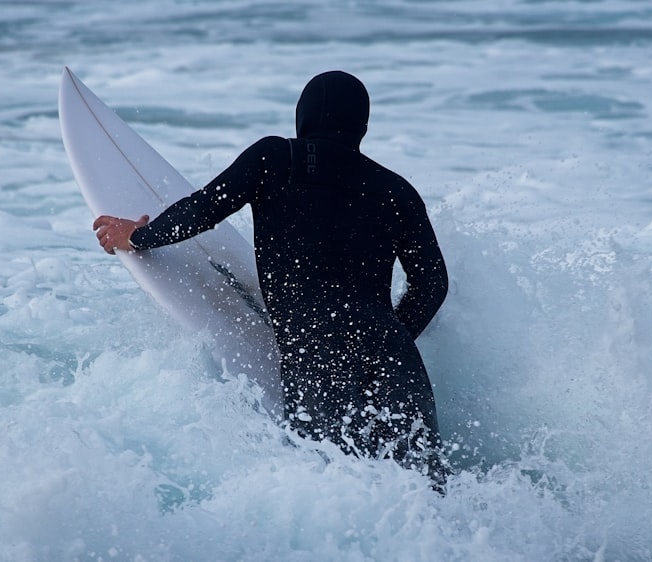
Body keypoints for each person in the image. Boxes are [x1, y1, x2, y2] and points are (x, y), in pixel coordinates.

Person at [93, 71, 450, 489]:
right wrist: (390, 335)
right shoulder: (397, 189)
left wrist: (136, 236)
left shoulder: (276, 157)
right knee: (428, 492)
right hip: (393, 355)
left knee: (334, 487)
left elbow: (205, 209)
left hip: (317, 350)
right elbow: (433, 284)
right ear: (362, 127)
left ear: (302, 117)